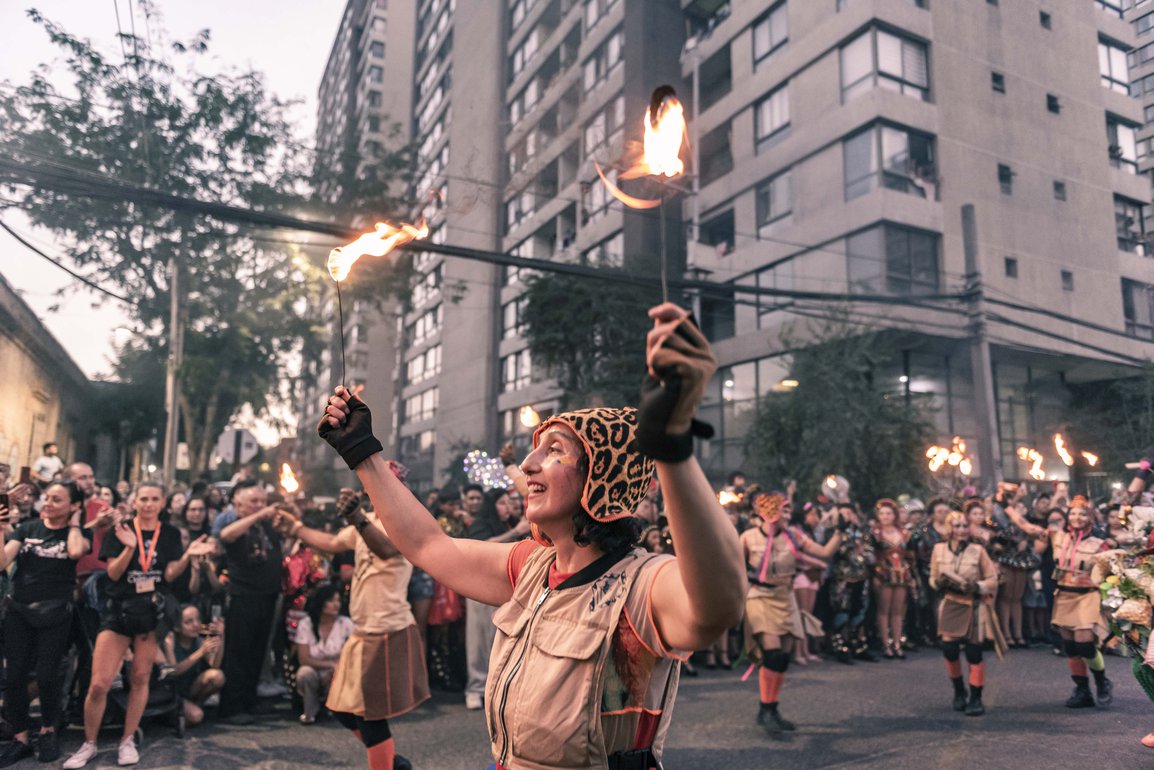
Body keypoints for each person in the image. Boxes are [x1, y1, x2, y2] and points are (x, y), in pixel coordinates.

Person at [317, 302, 746, 769]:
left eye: (554, 451)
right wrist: (363, 455)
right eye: (533, 450)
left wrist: (672, 447)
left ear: (600, 477)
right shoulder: (531, 566)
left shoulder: (643, 586)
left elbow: (718, 606)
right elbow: (427, 545)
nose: (527, 466)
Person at [278, 484, 428, 770]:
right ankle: (390, 761)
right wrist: (296, 528)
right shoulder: (367, 521)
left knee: (369, 716)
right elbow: (334, 543)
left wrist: (357, 517)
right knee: (341, 709)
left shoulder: (407, 524)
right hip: (363, 632)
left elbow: (385, 549)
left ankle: (385, 763)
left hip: (387, 630)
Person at [64, 482, 213, 769]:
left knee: (141, 678)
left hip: (149, 614)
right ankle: (89, 743)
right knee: (99, 684)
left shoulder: (168, 533)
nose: (148, 504)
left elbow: (168, 574)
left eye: (154, 499)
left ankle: (127, 739)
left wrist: (187, 555)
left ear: (163, 502)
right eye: (143, 498)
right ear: (134, 501)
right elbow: (113, 573)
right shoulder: (120, 530)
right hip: (118, 611)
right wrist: (130, 547)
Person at [0, 481, 90, 765]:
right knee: (14, 678)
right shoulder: (27, 529)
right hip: (19, 611)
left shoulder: (77, 533)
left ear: (73, 506)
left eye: (57, 499)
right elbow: (2, 563)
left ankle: (48, 729)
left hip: (55, 613)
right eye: (47, 498)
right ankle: (21, 737)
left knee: (47, 676)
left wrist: (74, 522)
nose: (47, 503)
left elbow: (75, 552)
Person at [741, 491, 840, 736]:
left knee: (782, 659)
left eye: (787, 510)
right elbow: (734, 567)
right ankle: (766, 709)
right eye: (781, 509)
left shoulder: (794, 535)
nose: (786, 514)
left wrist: (840, 531)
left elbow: (825, 553)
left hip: (785, 596)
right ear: (764, 512)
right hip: (759, 596)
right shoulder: (748, 537)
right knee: (772, 654)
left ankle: (770, 709)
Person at [1012, 496, 1113, 707]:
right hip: (1064, 594)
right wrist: (1004, 505)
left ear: (1090, 517)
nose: (1077, 517)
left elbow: (1110, 573)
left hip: (1087, 595)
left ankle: (1102, 681)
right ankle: (1082, 689)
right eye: (1073, 513)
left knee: (1084, 642)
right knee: (1070, 646)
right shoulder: (1058, 537)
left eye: (1082, 513)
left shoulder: (1100, 544)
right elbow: (1026, 527)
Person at [217, 481, 286, 726]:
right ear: (239, 505)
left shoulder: (265, 525)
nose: (260, 506)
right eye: (254, 502)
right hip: (243, 596)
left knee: (258, 651)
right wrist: (258, 515)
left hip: (267, 595)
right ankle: (232, 706)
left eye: (262, 501)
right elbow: (226, 536)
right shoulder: (232, 522)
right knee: (239, 652)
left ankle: (249, 699)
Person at [462, 488, 532, 709]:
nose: (507, 507)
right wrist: (515, 532)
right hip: (479, 589)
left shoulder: (510, 523)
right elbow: (483, 548)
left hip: (504, 590)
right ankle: (474, 688)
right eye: (502, 503)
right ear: (492, 506)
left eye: (509, 502)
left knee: (499, 640)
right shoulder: (481, 523)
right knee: (478, 642)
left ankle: (495, 687)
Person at [929, 510, 998, 716]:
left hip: (973, 604)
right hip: (950, 602)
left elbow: (992, 579)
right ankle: (959, 692)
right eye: (956, 526)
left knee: (973, 652)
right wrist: (937, 583)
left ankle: (976, 698)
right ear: (949, 528)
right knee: (949, 649)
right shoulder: (938, 549)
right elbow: (933, 576)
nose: (961, 530)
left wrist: (977, 586)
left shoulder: (978, 551)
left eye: (964, 526)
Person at [294, 585, 355, 724]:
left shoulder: (345, 623)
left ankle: (334, 706)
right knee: (304, 673)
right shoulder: (306, 624)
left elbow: (355, 652)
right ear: (321, 603)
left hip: (338, 669)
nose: (336, 605)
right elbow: (304, 659)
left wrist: (337, 666)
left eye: (338, 601)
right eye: (331, 601)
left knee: (339, 672)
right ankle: (310, 711)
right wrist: (329, 664)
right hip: (315, 668)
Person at [828, 503, 876, 664]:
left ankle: (859, 645)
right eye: (844, 513)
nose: (848, 516)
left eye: (850, 512)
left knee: (859, 611)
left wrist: (865, 553)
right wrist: (852, 548)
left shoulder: (862, 532)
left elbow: (871, 552)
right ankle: (841, 647)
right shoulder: (836, 532)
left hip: (862, 577)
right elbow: (837, 551)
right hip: (843, 578)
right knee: (842, 611)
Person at [163, 605, 225, 727]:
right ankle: (169, 717)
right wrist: (200, 652)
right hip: (173, 691)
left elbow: (215, 665)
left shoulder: (198, 641)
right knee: (196, 717)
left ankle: (197, 705)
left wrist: (221, 637)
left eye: (198, 619)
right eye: (188, 622)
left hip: (191, 687)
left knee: (217, 676)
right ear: (177, 626)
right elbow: (173, 672)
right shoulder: (170, 640)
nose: (196, 625)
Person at [871, 499, 913, 660]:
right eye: (882, 513)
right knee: (883, 610)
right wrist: (875, 575)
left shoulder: (904, 532)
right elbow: (872, 555)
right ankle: (885, 644)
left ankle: (897, 643)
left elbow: (910, 554)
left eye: (889, 513)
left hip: (902, 573)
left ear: (894, 515)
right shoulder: (875, 533)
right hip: (883, 572)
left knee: (898, 610)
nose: (885, 516)